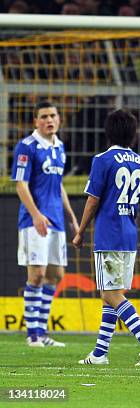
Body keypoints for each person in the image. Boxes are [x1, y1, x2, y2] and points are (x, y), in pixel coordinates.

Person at [72, 109, 140, 366]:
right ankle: (100, 353)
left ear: (107, 132)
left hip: (108, 234)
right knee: (111, 294)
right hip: (129, 235)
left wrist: (80, 232)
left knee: (110, 293)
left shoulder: (102, 159)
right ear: (133, 135)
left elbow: (93, 200)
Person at [11, 100, 78, 347]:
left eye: (53, 115)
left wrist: (71, 217)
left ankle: (43, 333)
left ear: (59, 119)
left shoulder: (60, 147)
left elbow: (59, 185)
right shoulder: (26, 146)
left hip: (57, 221)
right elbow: (20, 185)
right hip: (33, 220)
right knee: (37, 274)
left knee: (56, 275)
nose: (49, 120)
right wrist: (37, 214)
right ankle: (33, 335)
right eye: (44, 116)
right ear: (35, 122)